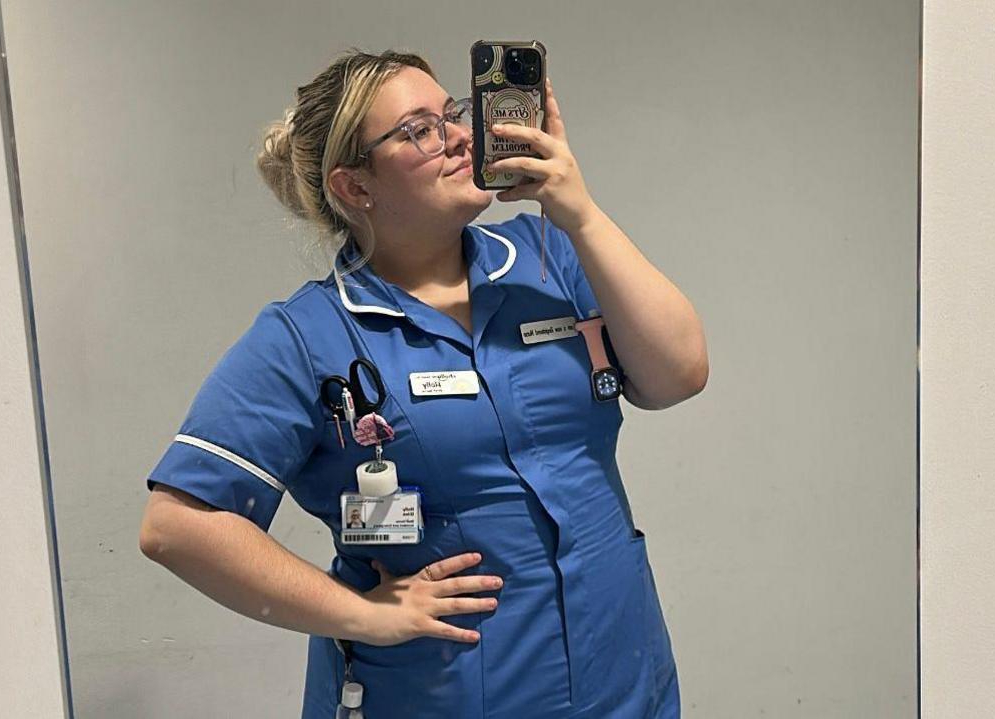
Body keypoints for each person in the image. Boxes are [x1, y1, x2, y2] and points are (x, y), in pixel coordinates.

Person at [138, 48, 707, 718]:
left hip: (620, 678)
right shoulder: (308, 335)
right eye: (419, 129)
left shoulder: (550, 257)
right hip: (438, 694)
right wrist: (360, 613)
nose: (462, 137)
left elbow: (678, 373)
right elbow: (177, 524)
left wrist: (578, 212)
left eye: (454, 113)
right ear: (355, 187)